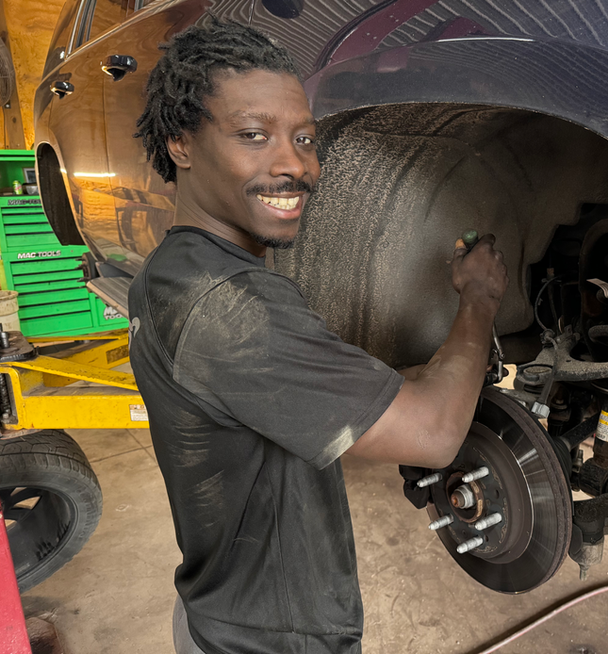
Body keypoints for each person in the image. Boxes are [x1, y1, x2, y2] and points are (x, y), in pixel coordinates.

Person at [127, 17, 508, 654]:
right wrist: (480, 299)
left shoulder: (173, 272)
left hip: (223, 612)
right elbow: (436, 435)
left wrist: (411, 378)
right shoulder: (230, 308)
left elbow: (309, 403)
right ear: (181, 145)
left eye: (305, 139)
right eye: (253, 135)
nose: (295, 165)